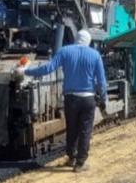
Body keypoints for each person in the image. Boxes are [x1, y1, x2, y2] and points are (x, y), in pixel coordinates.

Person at [17, 29, 107, 172]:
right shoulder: (95, 55)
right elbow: (101, 82)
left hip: (70, 98)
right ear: (89, 42)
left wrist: (26, 71)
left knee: (71, 128)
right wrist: (104, 99)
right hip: (88, 99)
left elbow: (48, 68)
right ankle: (80, 163)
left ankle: (71, 157)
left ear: (76, 39)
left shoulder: (65, 51)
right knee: (85, 130)